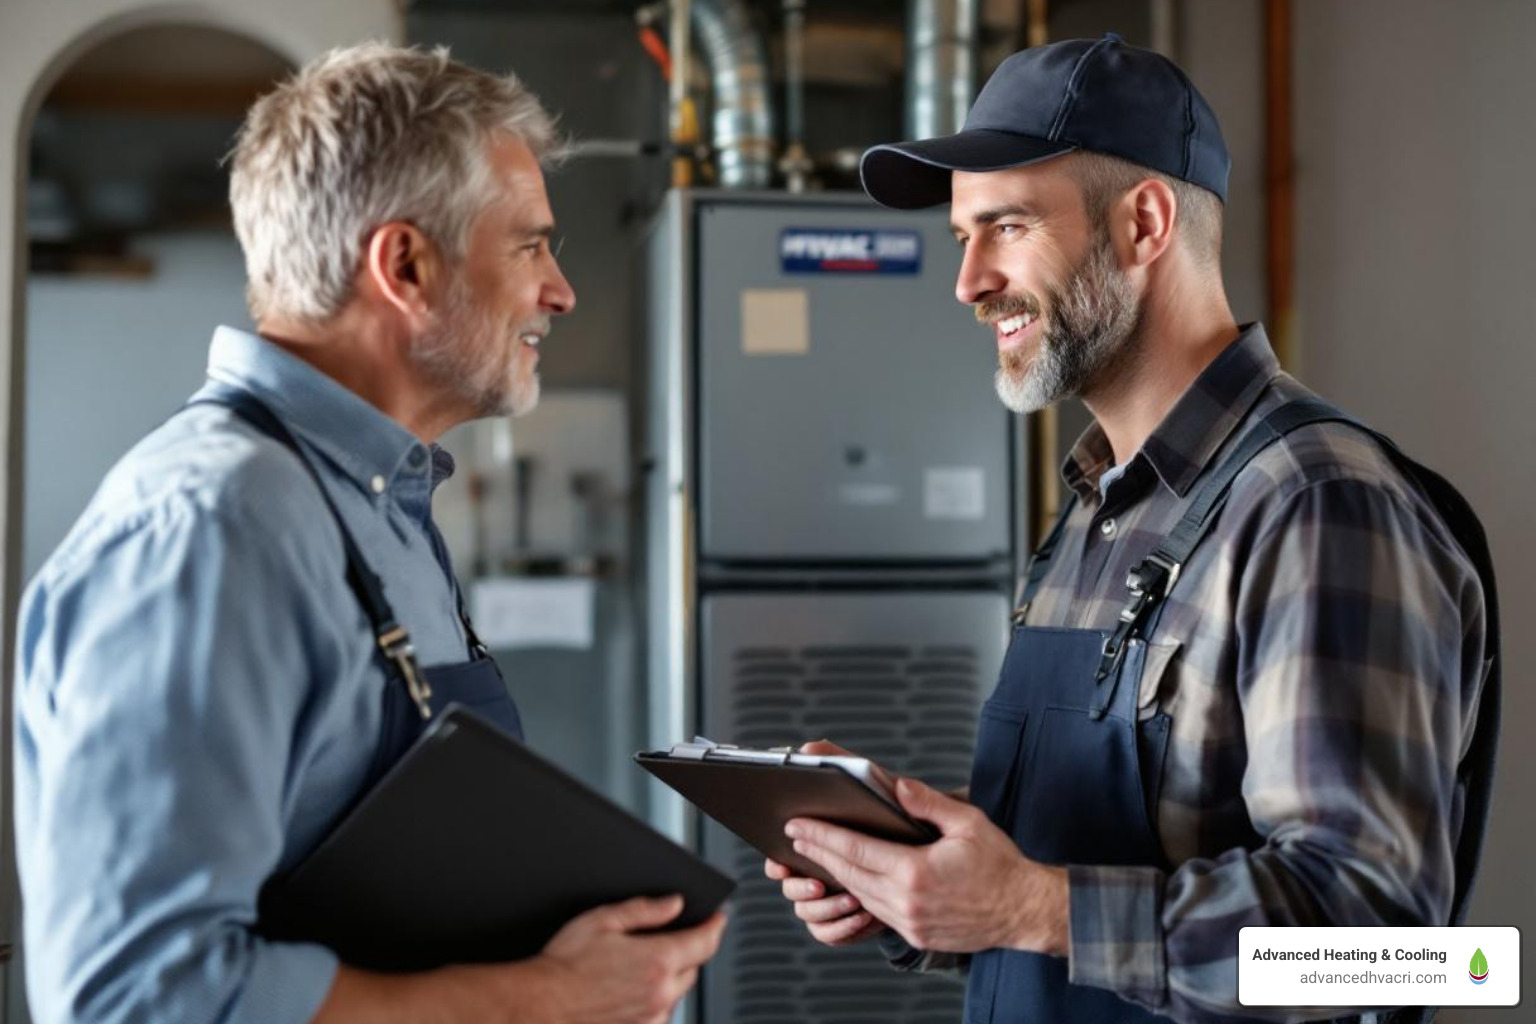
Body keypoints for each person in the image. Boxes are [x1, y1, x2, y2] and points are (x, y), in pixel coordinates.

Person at [767, 33, 1499, 1024]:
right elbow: (1063, 915)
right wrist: (923, 894)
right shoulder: (1094, 510)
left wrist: (1034, 906)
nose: (968, 281)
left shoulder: (1315, 504)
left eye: (1008, 227)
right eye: (962, 237)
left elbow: (1387, 953)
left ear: (1145, 222)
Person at [15, 43, 723, 1024]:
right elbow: (139, 999)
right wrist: (543, 997)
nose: (560, 291)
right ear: (405, 265)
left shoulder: (370, 501)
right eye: (530, 246)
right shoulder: (212, 531)